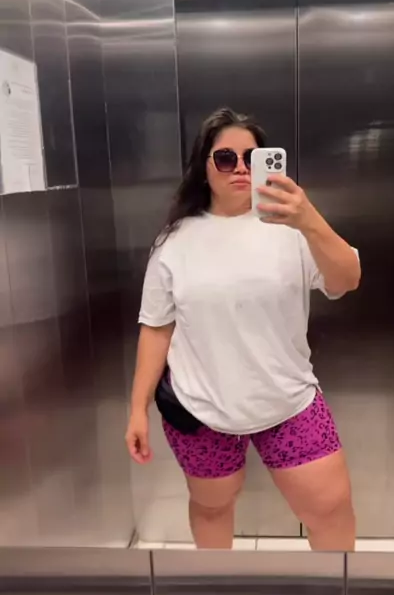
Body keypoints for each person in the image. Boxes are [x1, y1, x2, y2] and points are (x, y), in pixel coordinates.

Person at [126, 108, 360, 551]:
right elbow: (156, 327)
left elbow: (347, 279)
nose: (241, 168)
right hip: (201, 408)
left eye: (253, 158)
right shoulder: (175, 242)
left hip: (288, 402)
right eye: (226, 158)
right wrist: (137, 408)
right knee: (212, 507)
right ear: (204, 167)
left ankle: (338, 592)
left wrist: (308, 218)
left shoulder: (292, 228)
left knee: (331, 510)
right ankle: (216, 588)